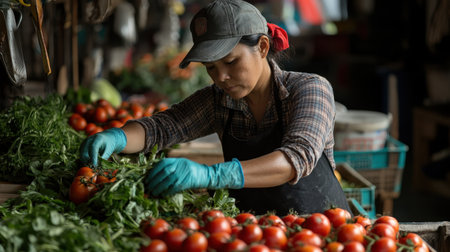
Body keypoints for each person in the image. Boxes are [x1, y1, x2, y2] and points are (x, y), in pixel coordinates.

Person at [80, 0, 351, 216]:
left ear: (263, 47)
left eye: (231, 62)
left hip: (321, 233)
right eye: (211, 68)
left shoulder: (310, 89)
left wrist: (213, 174)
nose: (220, 77)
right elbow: (162, 128)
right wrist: (118, 137)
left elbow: (297, 158)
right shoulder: (218, 100)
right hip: (254, 236)